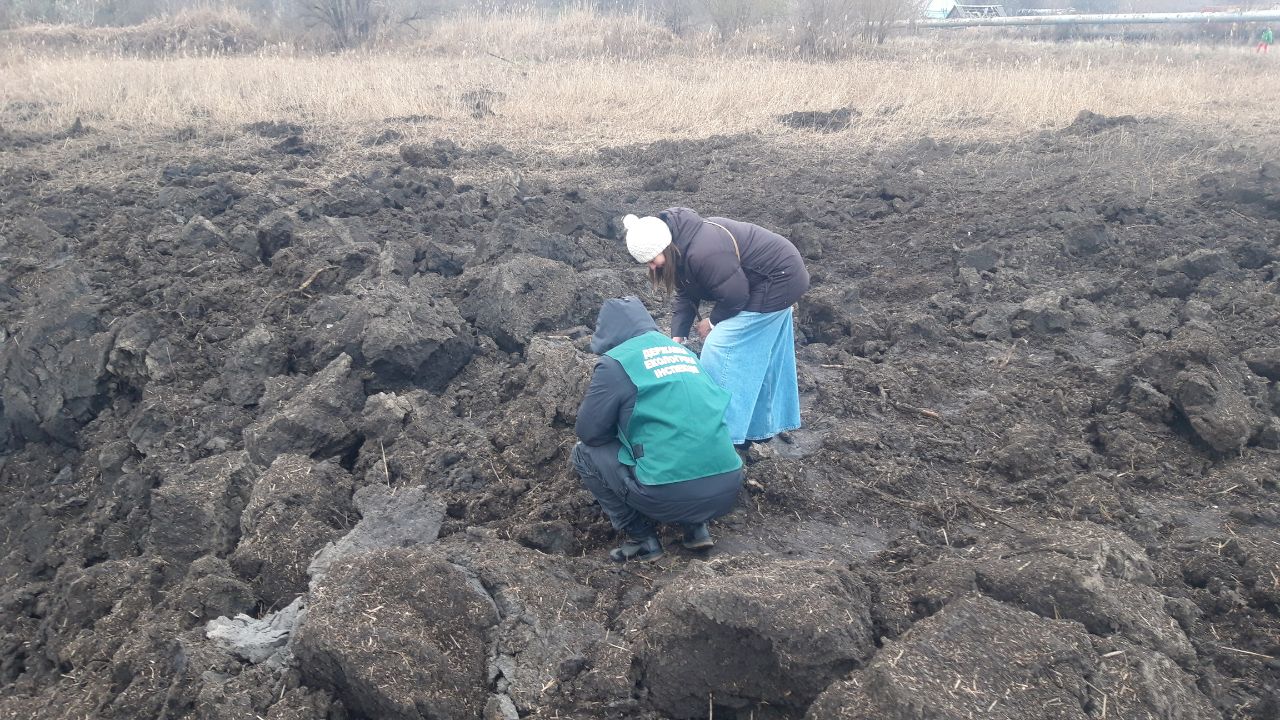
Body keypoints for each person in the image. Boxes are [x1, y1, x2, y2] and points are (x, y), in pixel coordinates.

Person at [572, 297, 744, 562]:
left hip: (668, 495)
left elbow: (589, 432)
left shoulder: (615, 363)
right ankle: (696, 528)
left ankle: (642, 539)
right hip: (728, 486)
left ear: (607, 331)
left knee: (583, 454)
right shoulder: (683, 353)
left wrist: (623, 433)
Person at [622, 208, 810, 448]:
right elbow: (686, 293)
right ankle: (758, 430)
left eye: (652, 259)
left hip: (779, 279)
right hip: (763, 281)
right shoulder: (681, 244)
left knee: (721, 347)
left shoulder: (703, 252)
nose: (651, 267)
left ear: (665, 246)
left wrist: (712, 322)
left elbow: (735, 295)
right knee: (757, 354)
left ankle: (719, 436)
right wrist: (677, 337)